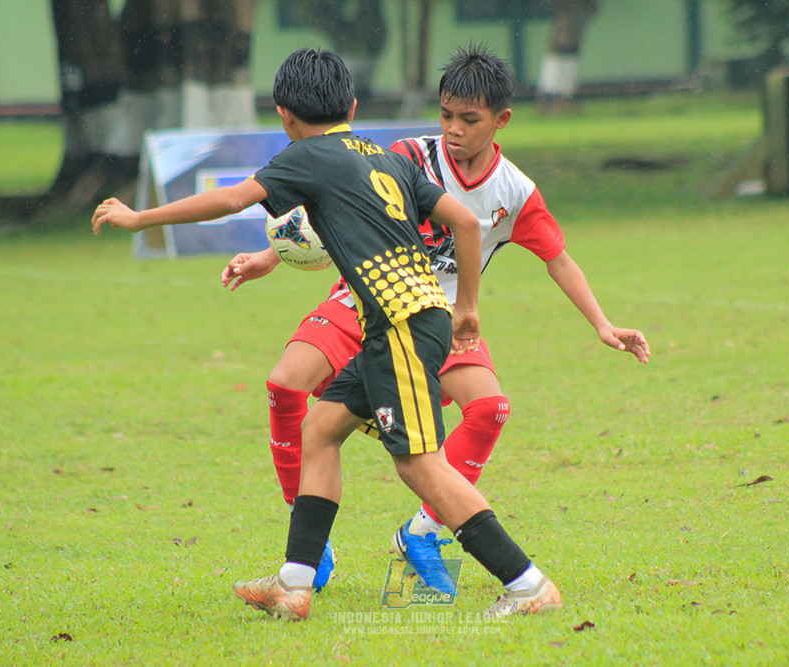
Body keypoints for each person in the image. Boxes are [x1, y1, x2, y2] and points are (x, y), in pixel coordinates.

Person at [92, 47, 562, 621]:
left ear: (284, 116)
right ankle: (294, 585)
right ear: (353, 105)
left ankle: (527, 583)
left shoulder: (306, 156)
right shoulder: (382, 157)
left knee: (419, 465)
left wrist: (141, 218)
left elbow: (233, 199)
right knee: (319, 431)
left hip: (401, 329)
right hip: (409, 321)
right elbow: (464, 222)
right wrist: (465, 307)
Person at [224, 46, 650, 595]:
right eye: (446, 115)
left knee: (488, 409)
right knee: (288, 387)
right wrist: (270, 256)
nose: (453, 129)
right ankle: (305, 556)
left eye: (468, 120)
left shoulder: (516, 192)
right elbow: (334, 215)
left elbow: (558, 258)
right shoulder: (409, 156)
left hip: (440, 319)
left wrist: (602, 324)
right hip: (365, 301)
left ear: (501, 121)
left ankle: (430, 534)